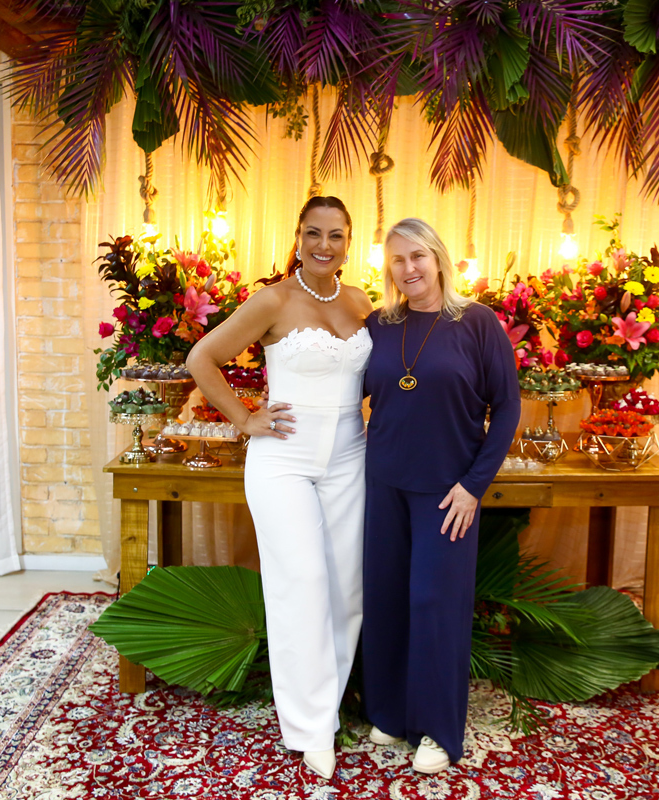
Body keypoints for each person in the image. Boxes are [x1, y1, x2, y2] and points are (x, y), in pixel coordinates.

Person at [185, 196, 373, 780]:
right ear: (298, 237)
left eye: (335, 235)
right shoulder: (273, 300)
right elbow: (201, 358)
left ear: (349, 242)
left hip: (351, 456)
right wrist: (245, 419)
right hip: (284, 458)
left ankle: (328, 702)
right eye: (313, 233)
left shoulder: (360, 302)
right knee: (303, 582)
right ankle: (309, 726)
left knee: (346, 588)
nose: (324, 245)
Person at [360, 218, 520, 773]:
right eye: (398, 259)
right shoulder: (379, 325)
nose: (409, 268)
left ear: (438, 259)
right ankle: (389, 712)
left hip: (448, 493)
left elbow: (507, 409)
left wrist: (473, 486)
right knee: (385, 599)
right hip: (383, 483)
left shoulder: (477, 322)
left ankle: (437, 729)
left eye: (418, 256)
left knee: (435, 605)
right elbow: (350, 392)